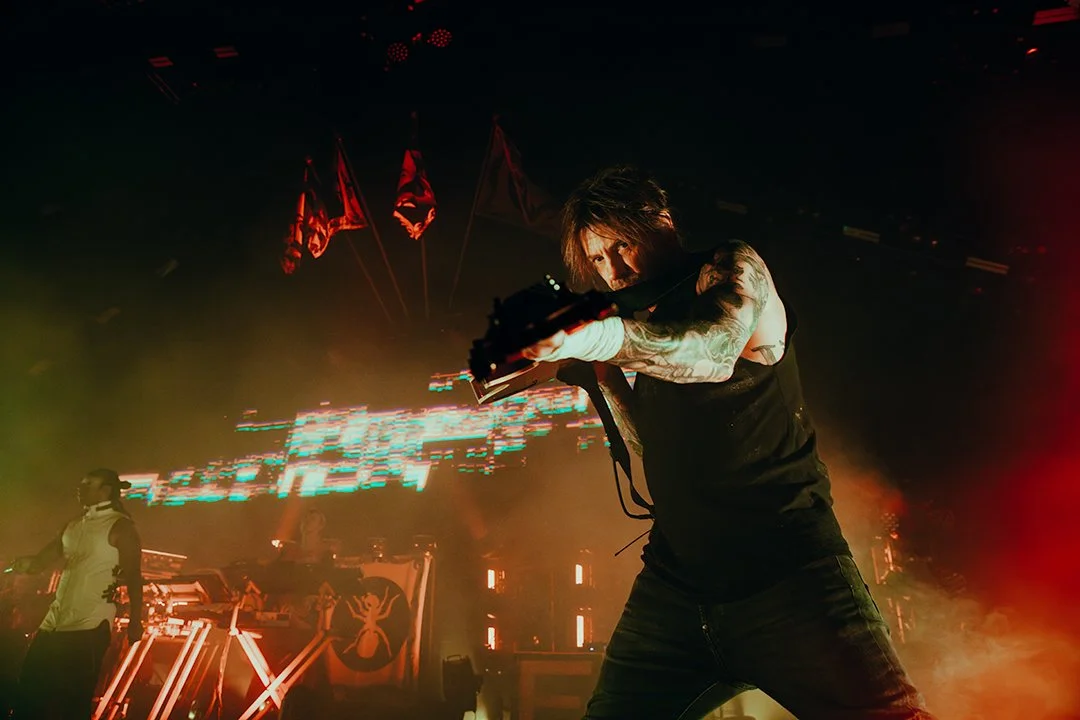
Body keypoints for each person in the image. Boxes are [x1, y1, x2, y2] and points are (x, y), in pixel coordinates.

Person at [524, 166, 934, 719]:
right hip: (676, 587)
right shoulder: (642, 317)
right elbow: (655, 446)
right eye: (597, 258)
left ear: (662, 221)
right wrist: (602, 373)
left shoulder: (731, 268)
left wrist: (601, 336)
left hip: (790, 579)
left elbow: (713, 353)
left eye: (621, 245)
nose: (613, 269)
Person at [8, 468, 144, 720]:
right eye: (81, 484)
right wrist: (29, 563)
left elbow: (134, 575)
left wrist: (136, 620)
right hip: (55, 622)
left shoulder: (120, 527)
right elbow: (42, 560)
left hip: (89, 624)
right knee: (28, 691)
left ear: (106, 490)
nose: (80, 489)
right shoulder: (73, 525)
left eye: (88, 484)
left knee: (71, 699)